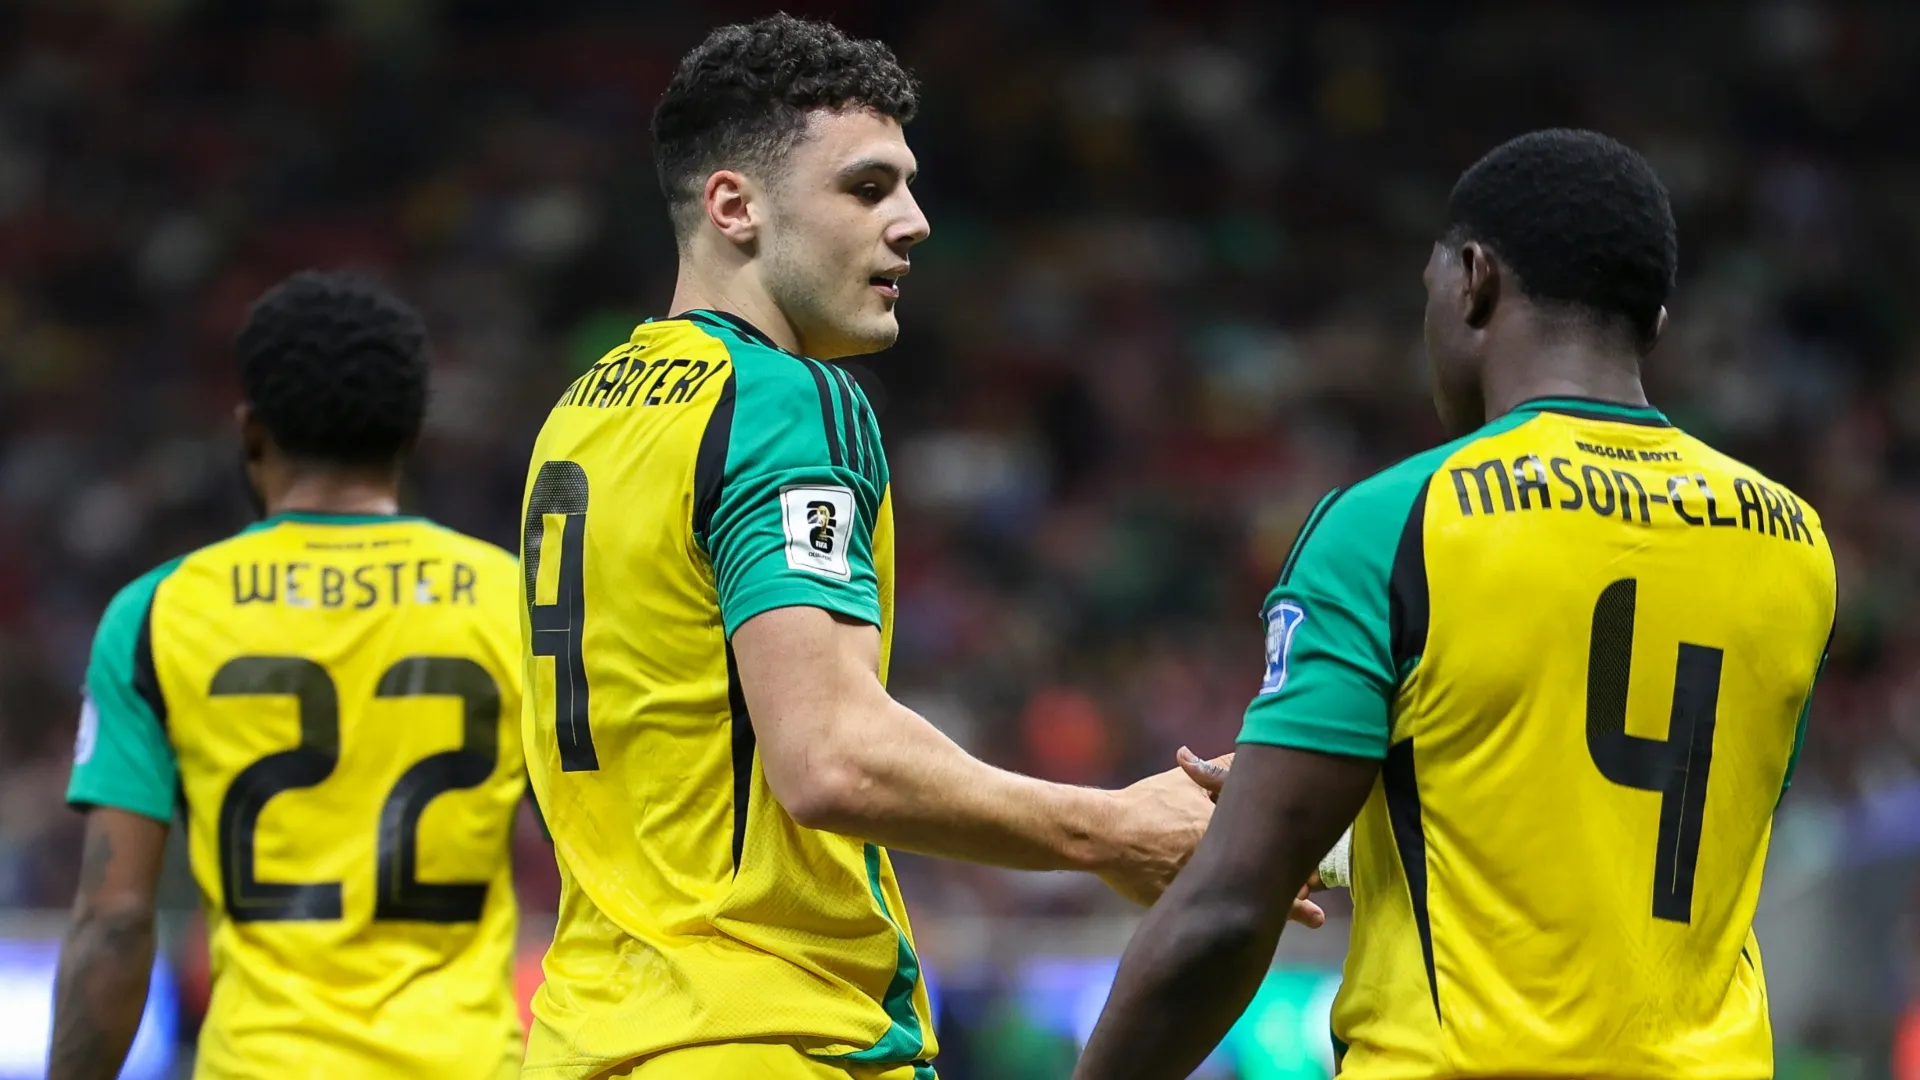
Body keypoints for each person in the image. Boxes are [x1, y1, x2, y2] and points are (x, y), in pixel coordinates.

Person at [516, 15, 1317, 1080]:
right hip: (769, 1035)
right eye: (867, 187)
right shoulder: (783, 401)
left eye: (907, 186)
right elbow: (830, 756)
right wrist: (1108, 829)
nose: (915, 222)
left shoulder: (580, 417)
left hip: (589, 1039)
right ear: (734, 206)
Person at [1073, 130, 1836, 1080]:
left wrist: (1266, 829)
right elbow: (1617, 833)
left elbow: (1227, 912)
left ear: (1473, 279)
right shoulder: (1795, 544)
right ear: (1655, 323)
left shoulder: (1397, 521)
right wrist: (1363, 829)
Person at [50, 272, 528, 1080]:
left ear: (250, 431)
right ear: (413, 432)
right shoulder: (514, 601)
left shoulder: (157, 614)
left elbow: (116, 919)